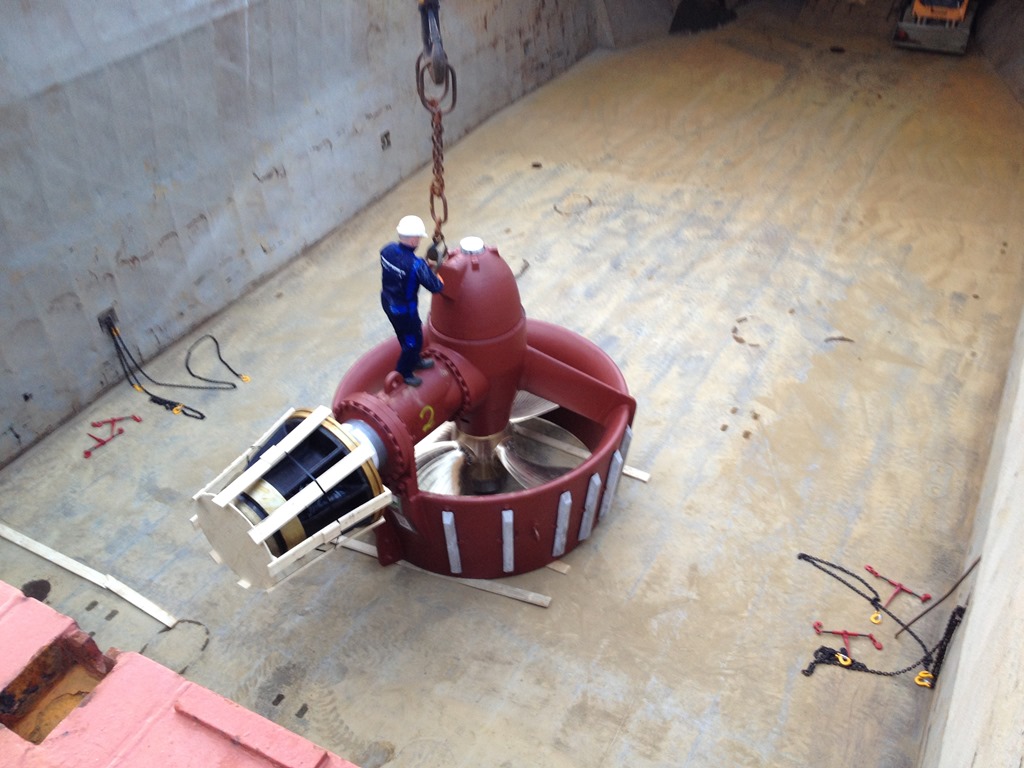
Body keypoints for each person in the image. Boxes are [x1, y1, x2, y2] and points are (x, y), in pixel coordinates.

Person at [380, 215, 444, 387]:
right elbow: (436, 287)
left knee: (402, 334)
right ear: (414, 239)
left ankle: (414, 359)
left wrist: (422, 269)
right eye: (419, 238)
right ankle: (404, 372)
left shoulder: (387, 251)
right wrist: (436, 273)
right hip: (405, 310)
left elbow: (402, 268)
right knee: (414, 340)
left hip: (387, 302)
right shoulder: (416, 265)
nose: (419, 242)